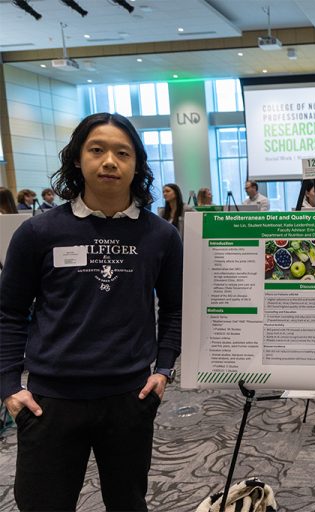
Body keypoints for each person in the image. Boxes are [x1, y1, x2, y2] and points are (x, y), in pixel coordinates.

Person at [0, 112, 183, 511]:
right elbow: (9, 313)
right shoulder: (38, 233)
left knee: (129, 504)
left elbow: (175, 309)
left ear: (137, 164)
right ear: (78, 159)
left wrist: (164, 368)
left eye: (123, 152)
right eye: (96, 150)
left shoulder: (160, 236)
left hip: (130, 397)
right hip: (50, 401)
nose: (110, 162)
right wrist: (9, 386)